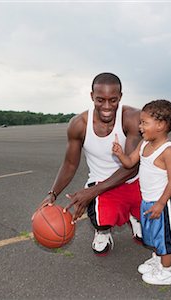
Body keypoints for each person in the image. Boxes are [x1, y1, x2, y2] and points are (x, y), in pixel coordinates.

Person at [36, 72, 143, 255]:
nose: (107, 107)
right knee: (100, 216)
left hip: (133, 181)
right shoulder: (79, 124)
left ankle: (134, 215)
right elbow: (70, 164)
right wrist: (52, 194)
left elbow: (132, 167)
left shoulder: (132, 117)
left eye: (113, 100)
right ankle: (103, 231)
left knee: (161, 211)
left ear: (121, 97)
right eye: (100, 100)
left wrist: (90, 192)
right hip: (100, 181)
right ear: (92, 96)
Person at [112, 99, 171, 285]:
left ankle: (166, 272)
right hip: (148, 201)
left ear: (160, 125)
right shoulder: (143, 144)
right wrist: (119, 154)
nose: (140, 126)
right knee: (152, 235)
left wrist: (160, 203)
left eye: (144, 122)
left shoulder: (168, 151)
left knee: (164, 239)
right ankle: (157, 261)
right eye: (140, 122)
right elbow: (129, 163)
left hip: (162, 203)